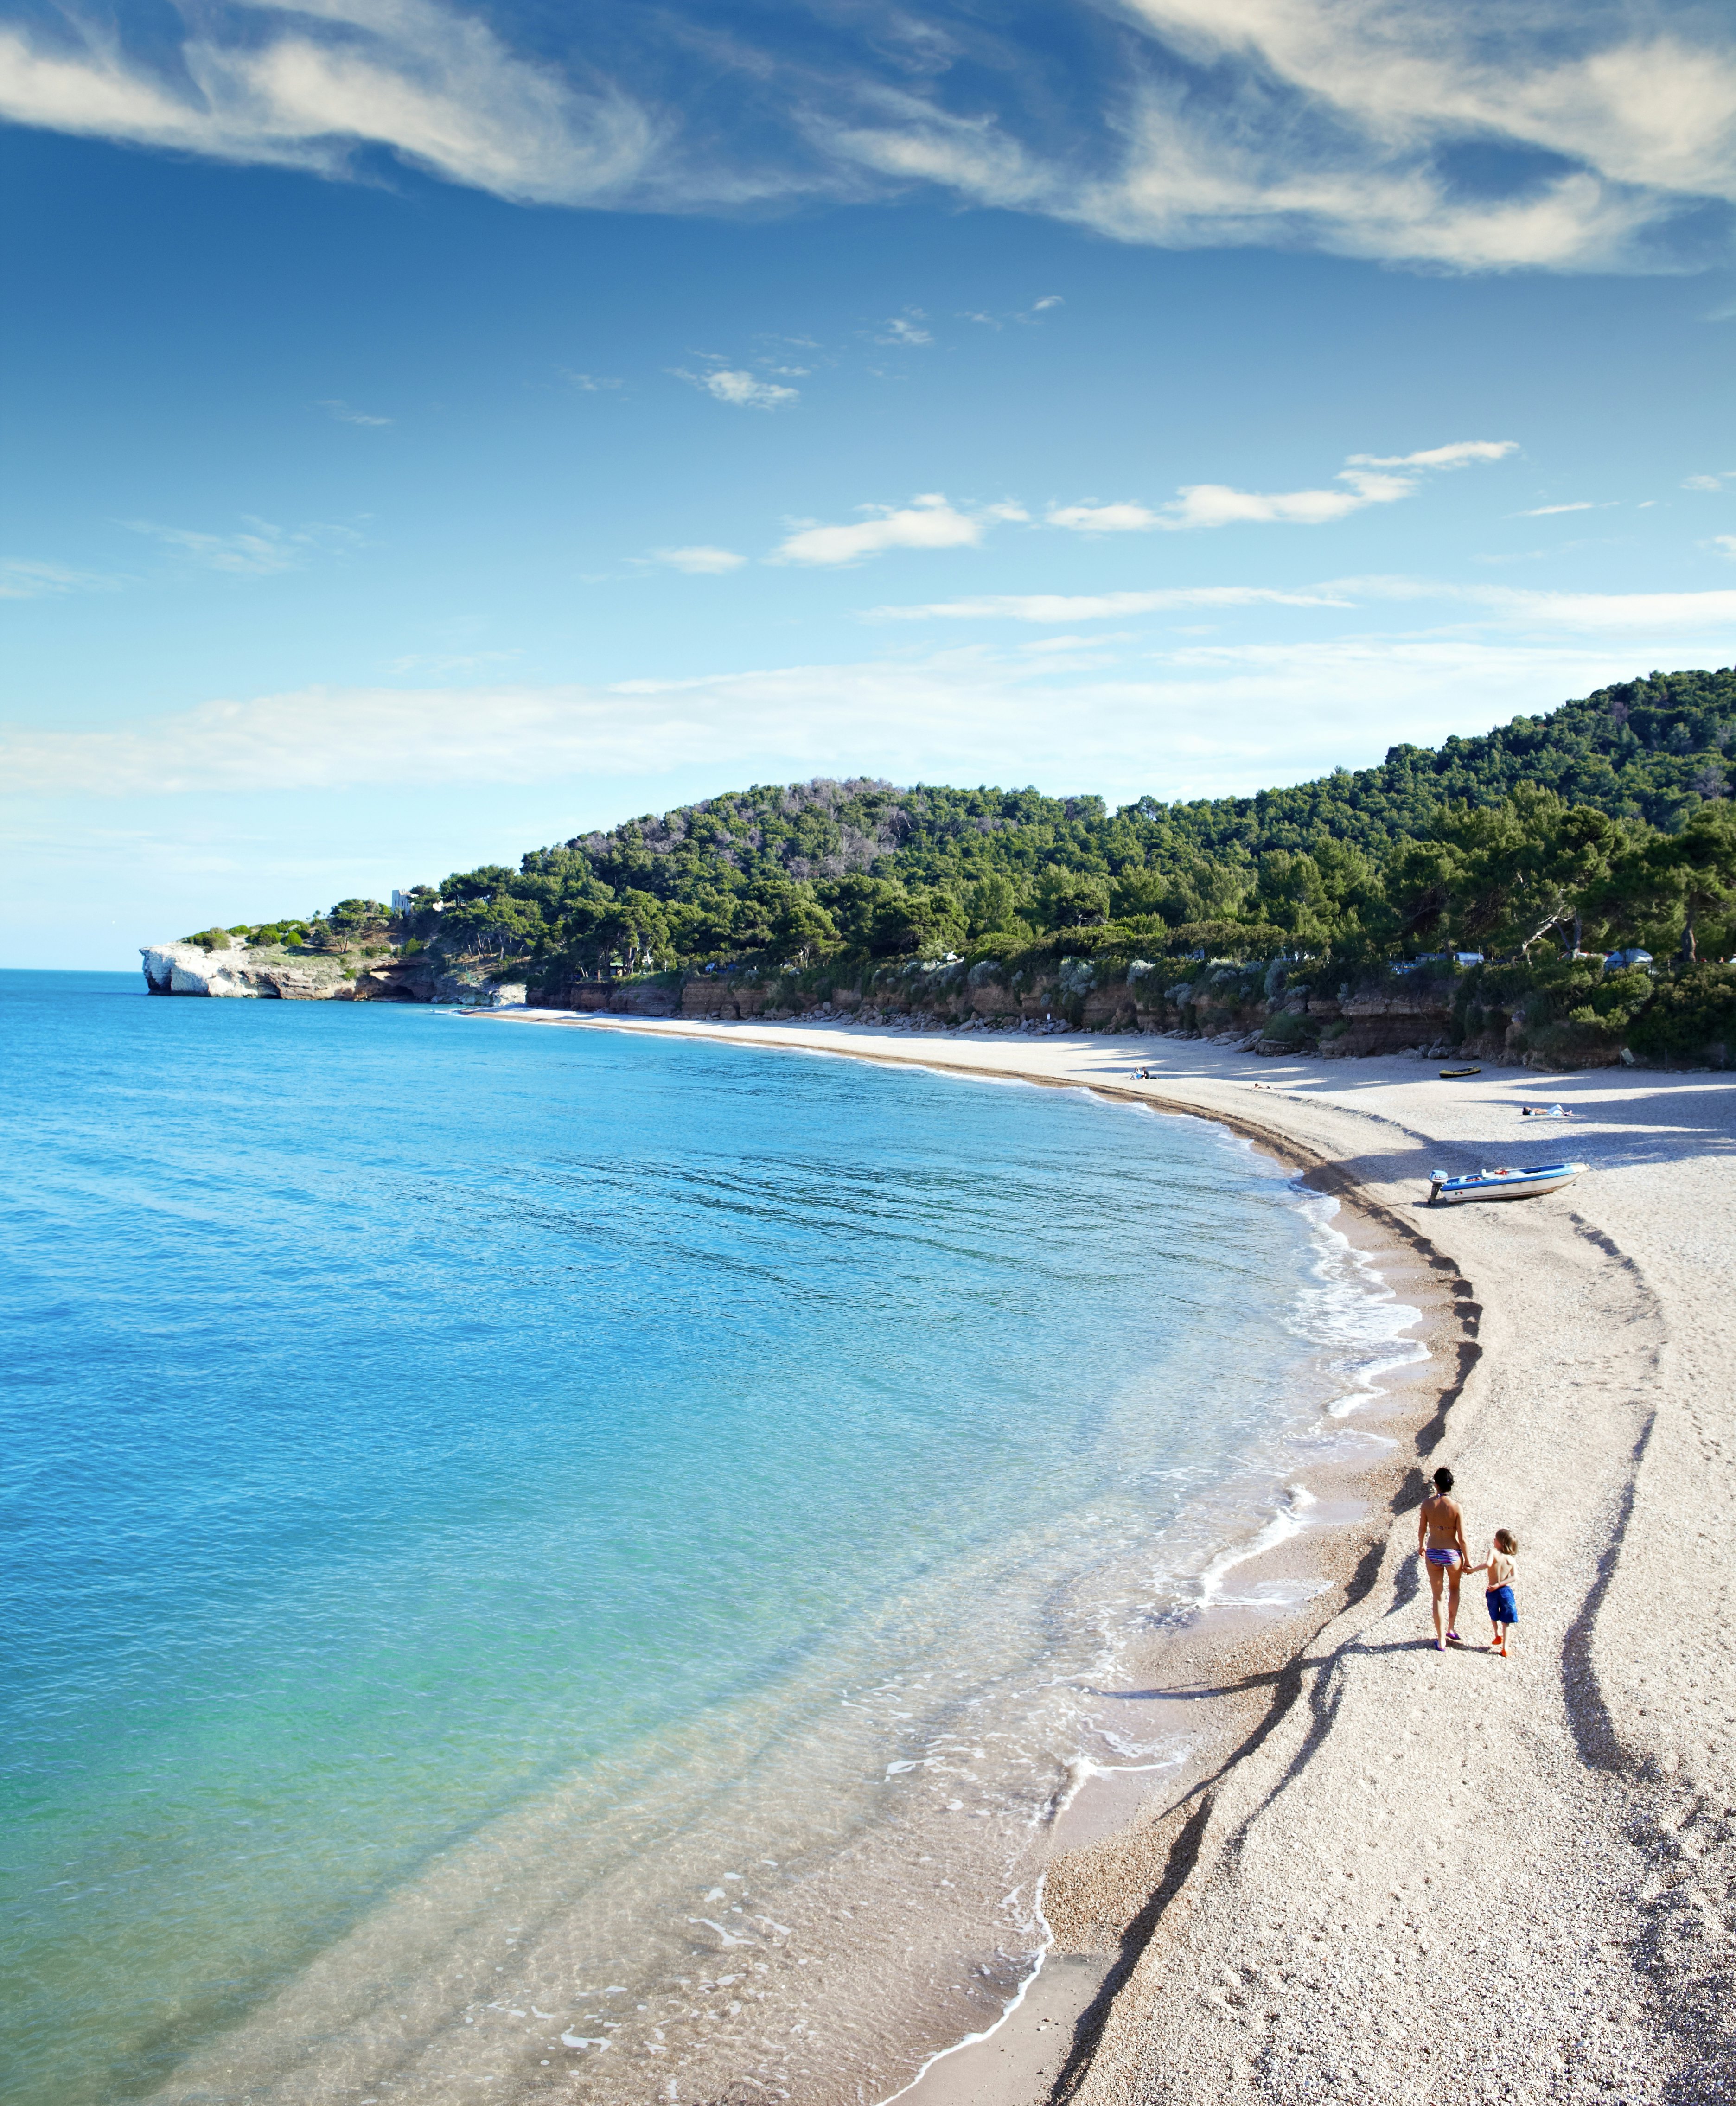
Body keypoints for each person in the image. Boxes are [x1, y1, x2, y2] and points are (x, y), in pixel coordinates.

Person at [1417, 1465, 1471, 1651]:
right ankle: (1451, 1628)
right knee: (1454, 1588)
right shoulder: (1457, 1507)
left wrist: (1421, 1545)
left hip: (1433, 1552)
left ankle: (1441, 1640)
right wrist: (1469, 1560)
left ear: (1436, 1485)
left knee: (1437, 1596)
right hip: (1452, 1553)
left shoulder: (1427, 1504)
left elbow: (1422, 1530)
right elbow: (1462, 1538)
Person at [1466, 1529, 1519, 1656]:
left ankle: (1497, 1636)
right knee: (1506, 1621)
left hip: (1492, 1590)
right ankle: (1505, 1647)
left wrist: (1472, 1570)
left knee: (1493, 1614)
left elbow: (1488, 1564)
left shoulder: (1493, 1552)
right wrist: (1500, 1585)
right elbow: (1514, 1577)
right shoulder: (1511, 1560)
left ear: (1501, 1542)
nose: (1494, 1541)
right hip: (1505, 1591)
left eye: (1495, 1539)